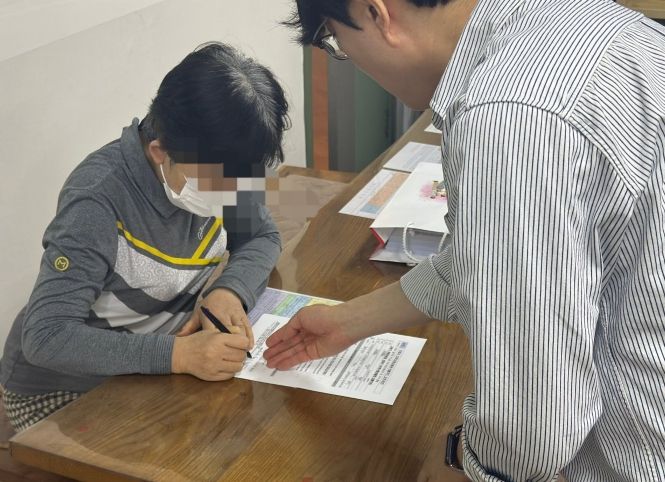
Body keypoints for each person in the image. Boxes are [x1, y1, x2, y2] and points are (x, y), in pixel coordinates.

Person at [264, 0, 665, 480]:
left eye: (336, 41)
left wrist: (463, 460)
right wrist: (347, 322)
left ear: (375, 12)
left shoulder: (507, 116)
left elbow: (534, 424)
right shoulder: (588, 23)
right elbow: (480, 259)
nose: (349, 59)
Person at [0, 41, 290, 432]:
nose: (235, 193)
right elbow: (46, 337)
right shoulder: (97, 200)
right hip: (67, 388)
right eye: (221, 181)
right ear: (159, 151)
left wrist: (229, 291)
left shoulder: (220, 165)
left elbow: (262, 236)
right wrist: (178, 356)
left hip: (156, 359)